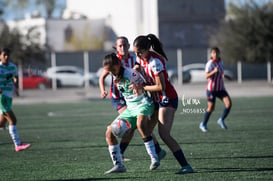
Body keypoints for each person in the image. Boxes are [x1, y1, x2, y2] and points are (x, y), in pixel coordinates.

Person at [132, 34, 193, 174]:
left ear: (147, 49)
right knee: (144, 127)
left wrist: (143, 88)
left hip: (167, 99)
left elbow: (161, 87)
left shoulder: (155, 62)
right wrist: (136, 68)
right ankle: (158, 152)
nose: (137, 55)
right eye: (135, 53)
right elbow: (138, 64)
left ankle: (186, 166)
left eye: (139, 52)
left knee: (164, 134)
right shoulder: (141, 57)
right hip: (156, 100)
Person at [99, 36, 165, 160]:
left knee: (134, 125)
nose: (122, 47)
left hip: (137, 99)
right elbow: (102, 76)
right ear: (116, 47)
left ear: (128, 46)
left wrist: (139, 83)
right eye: (120, 45)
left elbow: (140, 79)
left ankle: (151, 152)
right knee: (130, 125)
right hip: (119, 97)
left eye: (124, 45)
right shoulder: (112, 60)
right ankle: (153, 151)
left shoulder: (134, 59)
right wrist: (103, 90)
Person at [103, 53, 159, 174]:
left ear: (118, 64)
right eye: (109, 71)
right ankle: (119, 165)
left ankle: (154, 158)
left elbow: (145, 87)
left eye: (112, 69)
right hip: (131, 108)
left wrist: (138, 87)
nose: (111, 73)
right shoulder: (114, 74)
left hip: (144, 103)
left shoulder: (131, 73)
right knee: (109, 132)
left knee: (140, 124)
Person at [0, 48, 31, 152]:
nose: (6, 57)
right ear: (0, 56)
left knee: (1, 123)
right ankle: (18, 144)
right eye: (4, 55)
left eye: (7, 55)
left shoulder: (13, 67)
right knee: (13, 120)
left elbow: (15, 77)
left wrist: (16, 86)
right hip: (1, 97)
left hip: (8, 96)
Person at [199, 47, 232, 132]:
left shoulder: (221, 62)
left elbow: (221, 73)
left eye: (217, 53)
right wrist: (214, 71)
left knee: (228, 104)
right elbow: (206, 76)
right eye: (213, 53)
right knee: (211, 108)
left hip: (221, 88)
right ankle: (203, 124)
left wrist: (225, 76)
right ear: (211, 54)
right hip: (212, 89)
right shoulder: (210, 64)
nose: (215, 54)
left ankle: (221, 120)